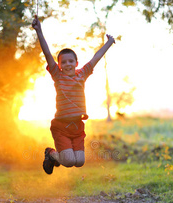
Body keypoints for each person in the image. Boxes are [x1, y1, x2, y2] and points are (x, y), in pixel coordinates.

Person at [32, 16, 115, 175]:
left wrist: (109, 43)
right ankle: (51, 153)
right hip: (61, 127)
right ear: (59, 65)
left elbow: (96, 58)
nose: (67, 64)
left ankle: (56, 157)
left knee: (80, 162)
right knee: (69, 161)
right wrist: (39, 31)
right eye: (63, 62)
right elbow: (48, 53)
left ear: (76, 63)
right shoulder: (58, 76)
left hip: (77, 127)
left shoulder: (82, 74)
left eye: (71, 61)